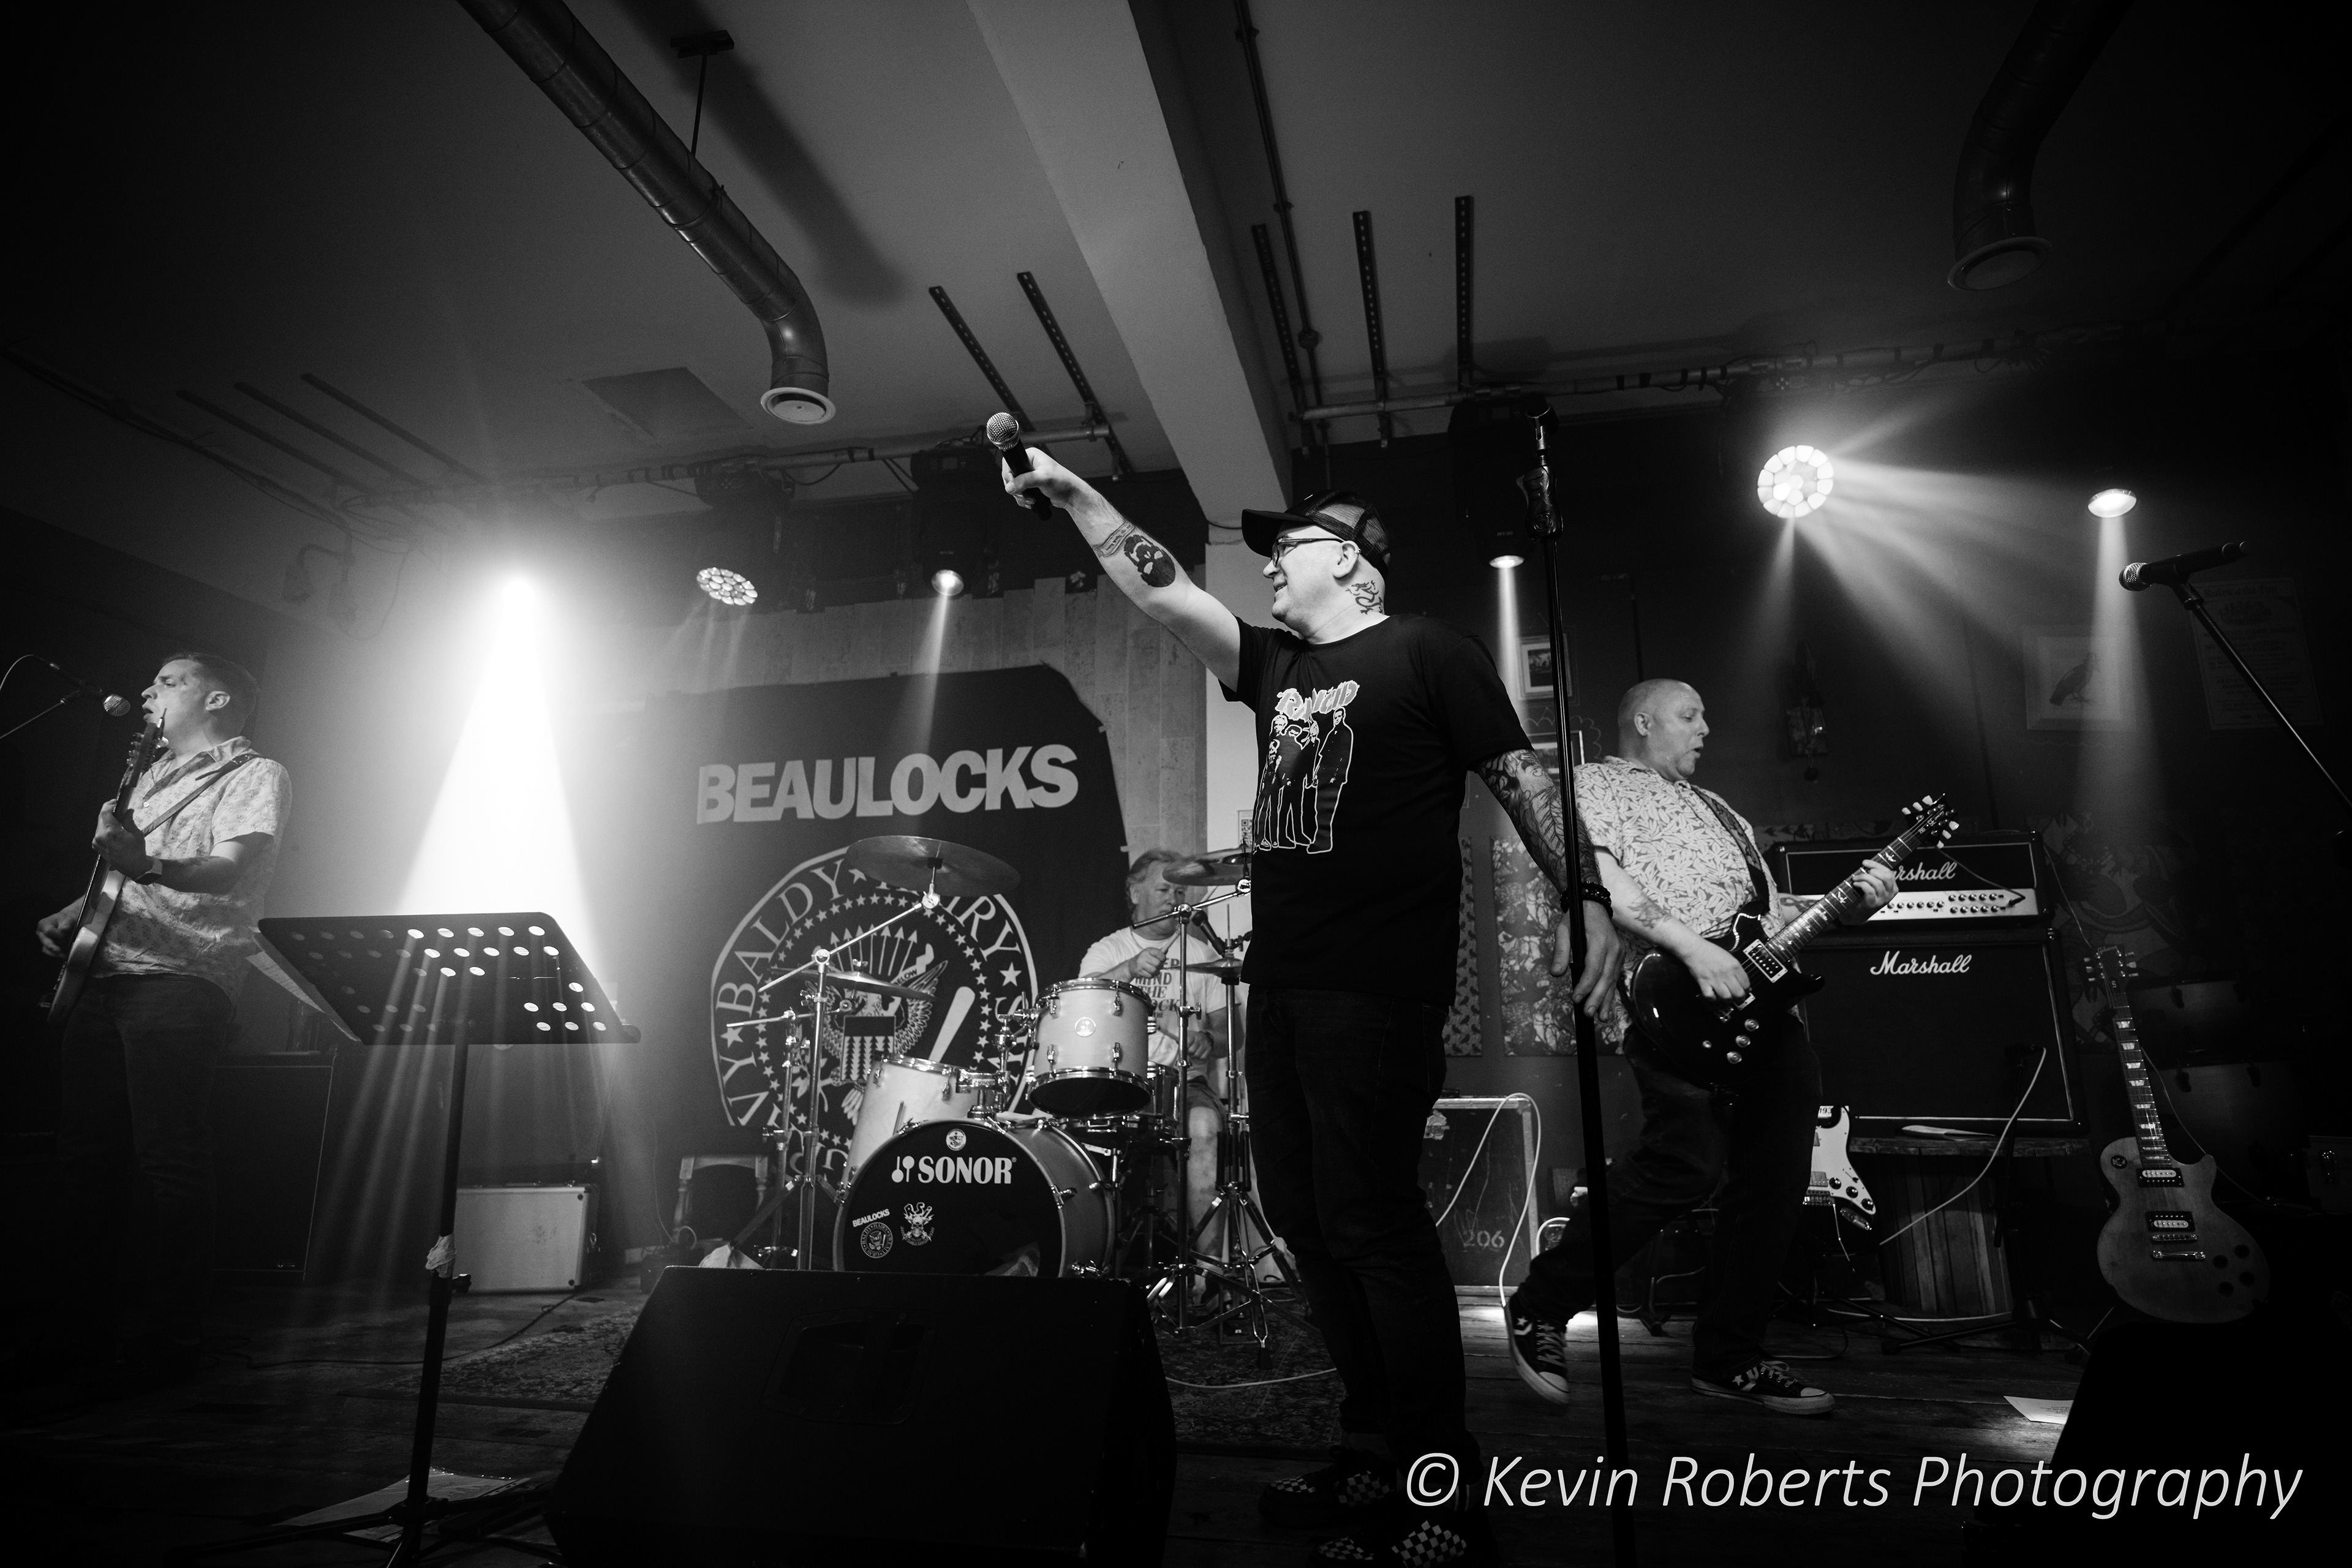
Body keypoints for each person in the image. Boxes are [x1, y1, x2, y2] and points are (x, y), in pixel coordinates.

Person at [1005, 450, 1617, 1568]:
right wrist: (1075, 494)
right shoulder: (1276, 666)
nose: (1269, 566)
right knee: (1310, 1220)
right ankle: (1373, 1445)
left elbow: (1520, 775)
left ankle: (1442, 1489)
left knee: (1373, 1225)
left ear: (1353, 560)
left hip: (1375, 987)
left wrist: (1584, 895)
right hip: (1282, 989)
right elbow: (1159, 587)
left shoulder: (1428, 650)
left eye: (1286, 547)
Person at [1504, 679, 1894, 1418]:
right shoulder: (1595, 785)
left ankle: (1730, 1356)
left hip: (1762, 1012)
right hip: (1672, 1005)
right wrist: (1693, 948)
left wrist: (1847, 906)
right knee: (1684, 1164)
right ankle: (1542, 1303)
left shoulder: (1720, 810)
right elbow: (1597, 877)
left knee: (1774, 1182)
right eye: (1690, 715)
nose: (1705, 728)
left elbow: (1771, 920)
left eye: (1706, 716)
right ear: (1643, 720)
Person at [27, 652, 291, 1388]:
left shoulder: (254, 774)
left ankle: (166, 1339)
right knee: (86, 1160)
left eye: (168, 681)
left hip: (182, 976)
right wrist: (76, 912)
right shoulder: (148, 779)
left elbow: (226, 869)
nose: (148, 691)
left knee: (168, 1160)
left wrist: (144, 864)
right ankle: (78, 1334)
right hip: (105, 973)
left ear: (218, 698)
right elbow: (123, 875)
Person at [1078, 849, 1229, 1263]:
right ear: (1134, 893)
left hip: (1185, 1083)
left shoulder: (1203, 954)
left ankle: (1209, 1269)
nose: (1173, 899)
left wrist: (1206, 1040)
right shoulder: (1108, 950)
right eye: (1163, 890)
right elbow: (1082, 1010)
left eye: (1179, 892)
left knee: (1204, 1127)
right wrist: (1128, 969)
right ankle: (1096, 1260)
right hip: (1121, 1081)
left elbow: (1229, 1035)